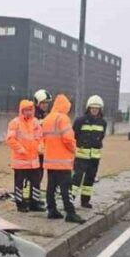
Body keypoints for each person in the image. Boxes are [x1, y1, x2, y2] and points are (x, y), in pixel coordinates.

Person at [41, 94, 84, 223]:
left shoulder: (47, 118)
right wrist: (74, 149)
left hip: (50, 160)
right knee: (66, 188)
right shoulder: (63, 119)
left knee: (51, 187)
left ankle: (52, 210)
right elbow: (68, 138)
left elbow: (43, 139)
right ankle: (70, 212)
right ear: (65, 106)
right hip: (63, 160)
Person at [6, 99, 46, 212]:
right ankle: (21, 204)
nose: (29, 112)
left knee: (36, 182)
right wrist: (21, 149)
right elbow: (10, 139)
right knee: (20, 184)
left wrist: (40, 147)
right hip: (20, 160)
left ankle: (35, 203)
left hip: (33, 160)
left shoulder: (35, 122)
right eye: (26, 110)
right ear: (22, 111)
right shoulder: (15, 122)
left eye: (30, 110)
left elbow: (40, 137)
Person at [71, 95, 107, 209]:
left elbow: (101, 137)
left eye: (97, 108)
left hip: (94, 157)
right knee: (76, 179)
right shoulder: (80, 121)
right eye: (92, 108)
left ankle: (85, 201)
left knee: (90, 179)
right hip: (81, 156)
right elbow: (74, 136)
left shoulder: (103, 123)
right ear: (88, 108)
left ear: (100, 109)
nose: (94, 110)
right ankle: (70, 199)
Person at [33, 89, 53, 171]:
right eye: (43, 103)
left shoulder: (45, 115)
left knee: (39, 173)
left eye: (47, 103)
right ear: (37, 103)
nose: (45, 105)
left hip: (42, 150)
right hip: (34, 151)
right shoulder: (33, 115)